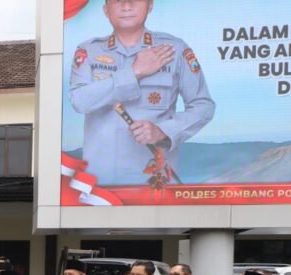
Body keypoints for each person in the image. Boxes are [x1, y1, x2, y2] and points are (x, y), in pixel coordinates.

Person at [68, 0, 215, 186]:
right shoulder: (88, 50)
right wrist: (135, 72)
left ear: (150, 5)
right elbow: (79, 100)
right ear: (106, 10)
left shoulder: (174, 50)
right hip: (98, 183)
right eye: (117, 0)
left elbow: (203, 106)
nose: (126, 5)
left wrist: (163, 131)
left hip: (154, 181)